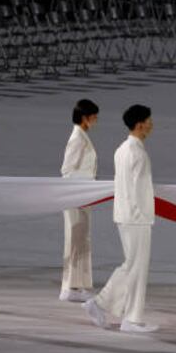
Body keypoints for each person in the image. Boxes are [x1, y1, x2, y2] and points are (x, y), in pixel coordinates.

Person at [84, 105, 159, 333]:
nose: (151, 124)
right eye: (148, 120)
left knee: (132, 265)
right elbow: (138, 189)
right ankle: (131, 319)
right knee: (137, 267)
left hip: (124, 214)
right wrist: (144, 214)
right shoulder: (138, 153)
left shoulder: (121, 149)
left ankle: (101, 304)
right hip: (136, 217)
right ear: (139, 124)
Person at [59, 99, 99, 303]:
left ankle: (80, 284)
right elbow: (67, 169)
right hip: (76, 196)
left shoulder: (82, 136)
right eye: (93, 116)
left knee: (82, 240)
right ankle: (72, 286)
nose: (96, 120)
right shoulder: (77, 139)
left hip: (83, 195)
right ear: (85, 117)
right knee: (76, 240)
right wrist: (79, 189)